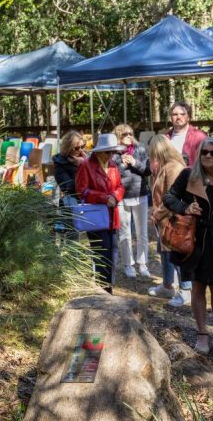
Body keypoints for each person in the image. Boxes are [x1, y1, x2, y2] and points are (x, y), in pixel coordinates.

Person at [163, 138, 213, 356]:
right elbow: (168, 197)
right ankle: (201, 333)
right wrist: (185, 207)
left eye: (212, 153)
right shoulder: (189, 176)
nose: (207, 156)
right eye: (204, 152)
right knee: (198, 287)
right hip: (194, 242)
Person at [75, 133, 125, 294]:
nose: (111, 155)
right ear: (98, 151)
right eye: (108, 152)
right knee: (101, 253)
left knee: (113, 253)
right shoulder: (86, 165)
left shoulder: (113, 165)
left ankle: (108, 288)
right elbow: (81, 191)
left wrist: (115, 196)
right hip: (96, 217)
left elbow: (120, 186)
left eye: (113, 152)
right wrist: (104, 198)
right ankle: (104, 290)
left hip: (113, 215)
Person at [147, 134, 192, 306]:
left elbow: (174, 197)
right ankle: (167, 285)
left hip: (174, 219)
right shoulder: (164, 166)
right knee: (165, 253)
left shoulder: (174, 167)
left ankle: (186, 291)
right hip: (165, 220)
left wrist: (158, 213)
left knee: (178, 254)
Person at [111, 123, 152, 278]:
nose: (128, 136)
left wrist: (134, 163)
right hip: (122, 197)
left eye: (130, 133)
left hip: (140, 194)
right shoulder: (113, 153)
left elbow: (148, 171)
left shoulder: (140, 149)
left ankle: (143, 263)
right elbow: (112, 176)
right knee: (124, 232)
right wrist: (122, 163)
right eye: (124, 134)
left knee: (142, 231)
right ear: (118, 137)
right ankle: (128, 264)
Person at [54, 130, 86, 239]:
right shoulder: (60, 163)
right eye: (77, 148)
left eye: (83, 146)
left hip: (88, 200)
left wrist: (87, 163)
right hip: (73, 203)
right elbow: (66, 186)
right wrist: (81, 171)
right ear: (68, 148)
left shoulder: (86, 160)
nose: (80, 150)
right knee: (73, 238)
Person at [163, 101, 207, 166]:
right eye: (175, 114)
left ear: (188, 117)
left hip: (192, 175)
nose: (178, 117)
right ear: (171, 118)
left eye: (182, 114)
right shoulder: (165, 138)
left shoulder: (199, 137)